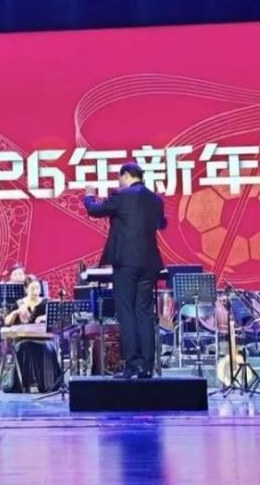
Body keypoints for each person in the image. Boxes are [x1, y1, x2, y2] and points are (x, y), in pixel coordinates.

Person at [82, 162, 166, 379]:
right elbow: (161, 224)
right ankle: (146, 366)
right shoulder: (156, 199)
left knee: (126, 312)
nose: (119, 182)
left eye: (120, 178)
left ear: (126, 175)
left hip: (126, 262)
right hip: (149, 263)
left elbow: (95, 210)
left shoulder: (122, 195)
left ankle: (132, 365)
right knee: (144, 313)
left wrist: (89, 195)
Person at [3, 276, 62, 393]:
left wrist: (44, 317)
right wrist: (16, 312)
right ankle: (21, 384)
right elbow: (7, 322)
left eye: (37, 288)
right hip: (23, 339)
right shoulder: (20, 303)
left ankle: (48, 384)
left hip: (43, 339)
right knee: (23, 347)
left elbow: (57, 318)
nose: (35, 291)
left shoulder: (46, 302)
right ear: (26, 289)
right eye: (32, 289)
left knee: (48, 348)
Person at [0, 266, 27, 365]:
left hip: (24, 326)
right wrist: (0, 290)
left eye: (20, 274)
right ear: (10, 277)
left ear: (25, 276)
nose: (18, 277)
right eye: (15, 274)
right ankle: (2, 363)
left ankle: (18, 364)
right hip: (7, 325)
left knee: (15, 338)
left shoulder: (29, 289)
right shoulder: (5, 289)